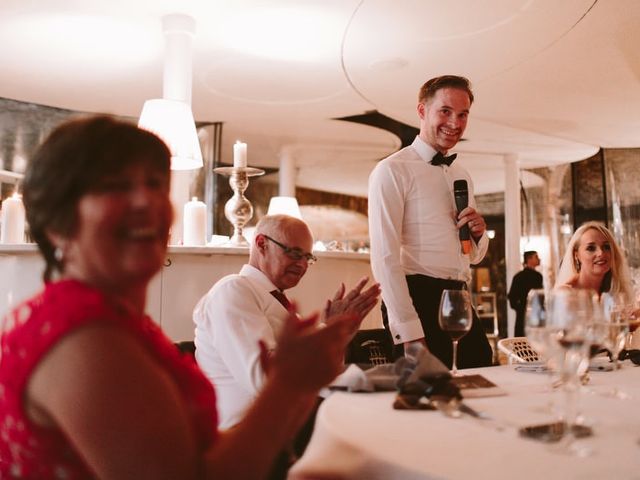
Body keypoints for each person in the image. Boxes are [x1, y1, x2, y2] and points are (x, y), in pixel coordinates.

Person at [0, 115, 360, 479]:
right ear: (58, 223)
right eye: (115, 186)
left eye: (156, 184)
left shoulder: (112, 321)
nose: (146, 200)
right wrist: (288, 386)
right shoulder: (81, 337)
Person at [194, 214, 380, 430]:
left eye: (308, 257)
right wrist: (326, 336)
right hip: (247, 433)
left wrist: (335, 338)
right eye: (294, 253)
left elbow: (318, 375)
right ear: (262, 244)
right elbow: (265, 379)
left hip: (290, 424)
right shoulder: (233, 290)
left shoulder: (279, 304)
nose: (302, 265)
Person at [368, 74, 493, 369]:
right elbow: (385, 257)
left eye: (463, 115)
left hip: (459, 295)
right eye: (445, 111)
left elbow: (472, 255)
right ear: (422, 111)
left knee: (482, 373)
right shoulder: (392, 171)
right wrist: (409, 331)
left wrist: (478, 234)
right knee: (429, 396)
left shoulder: (462, 174)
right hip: (417, 297)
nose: (455, 123)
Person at [556, 221, 633, 302]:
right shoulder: (565, 294)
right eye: (591, 248)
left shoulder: (617, 289)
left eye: (606, 247)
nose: (601, 253)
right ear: (576, 255)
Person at [508, 250, 544, 337]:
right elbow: (512, 297)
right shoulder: (537, 277)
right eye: (536, 257)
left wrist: (520, 309)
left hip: (524, 315)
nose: (539, 259)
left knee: (521, 342)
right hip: (533, 314)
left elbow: (511, 297)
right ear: (529, 259)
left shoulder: (518, 276)